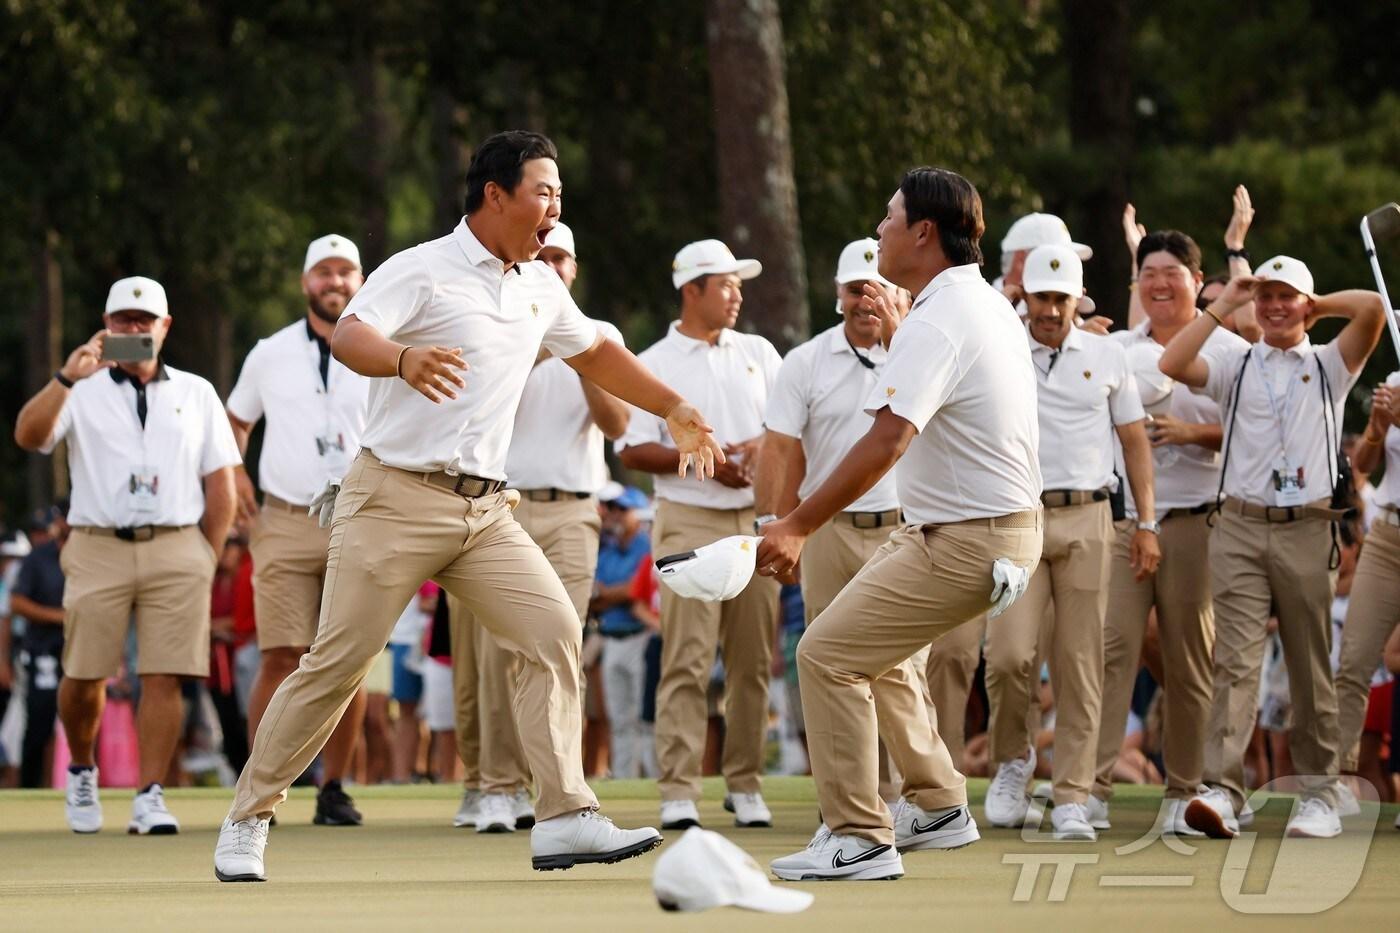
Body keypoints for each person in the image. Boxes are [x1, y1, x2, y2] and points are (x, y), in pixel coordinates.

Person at [215, 130, 723, 881]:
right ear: (496, 195)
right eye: (544, 191)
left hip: (485, 512)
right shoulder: (422, 268)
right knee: (337, 665)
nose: (555, 207)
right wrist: (402, 358)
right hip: (392, 498)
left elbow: (595, 352)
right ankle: (248, 816)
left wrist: (674, 402)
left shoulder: (541, 284)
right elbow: (353, 332)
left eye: (558, 194)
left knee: (552, 631)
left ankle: (563, 816)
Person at [758, 167, 1043, 881]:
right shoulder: (964, 305)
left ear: (922, 232)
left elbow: (888, 442)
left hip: (970, 536)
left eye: (888, 217)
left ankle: (858, 836)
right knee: (868, 652)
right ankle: (940, 802)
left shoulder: (941, 317)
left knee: (826, 654)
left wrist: (794, 524)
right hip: (977, 530)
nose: (878, 229)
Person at [1160, 255, 1386, 838]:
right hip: (1237, 522)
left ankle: (1320, 790)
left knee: (1310, 661)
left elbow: (1372, 308)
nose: (1276, 306)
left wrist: (1318, 303)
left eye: (1287, 297)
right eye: (1267, 296)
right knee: (1234, 660)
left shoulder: (1330, 363)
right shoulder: (1237, 360)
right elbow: (1173, 361)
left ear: (1306, 305)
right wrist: (1226, 303)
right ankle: (1223, 789)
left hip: (1307, 524)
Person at [14, 275, 240, 834]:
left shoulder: (196, 391)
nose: (132, 329)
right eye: (122, 320)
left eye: (144, 321)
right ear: (106, 324)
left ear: (165, 327)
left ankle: (150, 793)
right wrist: (68, 374)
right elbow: (29, 436)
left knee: (165, 675)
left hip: (177, 542)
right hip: (97, 544)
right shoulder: (80, 387)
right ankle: (83, 769)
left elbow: (221, 484)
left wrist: (205, 556)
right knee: (85, 673)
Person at [448, 220, 629, 834]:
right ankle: (496, 785)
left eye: (563, 259)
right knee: (502, 651)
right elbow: (478, 404)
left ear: (574, 270)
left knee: (560, 643)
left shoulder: (599, 336)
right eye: (543, 255)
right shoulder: (497, 326)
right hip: (505, 504)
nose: (552, 266)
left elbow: (617, 424)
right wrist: (534, 345)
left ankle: (553, 786)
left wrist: (578, 355)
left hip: (576, 508)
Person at [979, 244, 1158, 841]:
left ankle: (1074, 794)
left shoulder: (1107, 354)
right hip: (1016, 518)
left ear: (1076, 301)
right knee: (1008, 656)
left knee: (1082, 662)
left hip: (1088, 517)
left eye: (1060, 299)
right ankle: (1011, 763)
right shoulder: (1001, 349)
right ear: (1023, 298)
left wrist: (1147, 521)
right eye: (1039, 298)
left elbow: (1133, 441)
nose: (1050, 310)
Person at [618, 237, 782, 831]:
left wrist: (759, 450)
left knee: (751, 661)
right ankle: (679, 789)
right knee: (686, 658)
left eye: (739, 284)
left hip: (752, 519)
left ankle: (744, 784)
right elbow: (633, 449)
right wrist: (702, 457)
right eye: (726, 284)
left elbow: (787, 430)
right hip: (687, 515)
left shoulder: (761, 352)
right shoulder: (654, 361)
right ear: (692, 290)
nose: (737, 295)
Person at [1093, 230, 1247, 835]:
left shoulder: (1233, 350)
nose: (1159, 283)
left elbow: (1253, 434)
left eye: (1172, 273)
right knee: (1112, 653)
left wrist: (1190, 433)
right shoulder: (1117, 349)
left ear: (1194, 279)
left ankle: (1185, 792)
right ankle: (1091, 788)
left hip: (1199, 522)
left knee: (1189, 663)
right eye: (1147, 272)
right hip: (1126, 520)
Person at [754, 237, 919, 790]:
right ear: (838, 296)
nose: (866, 301)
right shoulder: (804, 362)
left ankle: (904, 794)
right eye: (855, 290)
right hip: (827, 532)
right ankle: (846, 797)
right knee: (826, 661)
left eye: (878, 290)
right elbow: (778, 449)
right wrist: (773, 527)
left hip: (902, 528)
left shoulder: (919, 351)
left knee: (901, 667)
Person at [226, 233, 371, 827]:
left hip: (362, 513)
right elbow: (235, 421)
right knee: (279, 654)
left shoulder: (382, 342)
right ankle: (262, 784)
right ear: (305, 282)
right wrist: (235, 476)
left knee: (349, 658)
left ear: (360, 281)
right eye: (323, 272)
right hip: (285, 517)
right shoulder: (270, 351)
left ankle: (333, 786)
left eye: (346, 272)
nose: (334, 282)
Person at [1335, 374, 1400, 790]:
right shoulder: (1396, 381)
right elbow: (1361, 465)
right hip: (1389, 534)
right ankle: (1333, 787)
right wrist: (1377, 428)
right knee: (1353, 661)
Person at [592, 486, 655, 778]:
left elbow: (634, 591)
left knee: (644, 716)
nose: (616, 514)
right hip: (611, 637)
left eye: (623, 509)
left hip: (640, 636)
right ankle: (624, 779)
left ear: (637, 514)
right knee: (618, 718)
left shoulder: (646, 546)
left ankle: (650, 778)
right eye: (613, 508)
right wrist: (616, 594)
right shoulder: (608, 548)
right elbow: (595, 595)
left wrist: (612, 593)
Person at [8, 504, 69, 787]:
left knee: (83, 723)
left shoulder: (96, 556)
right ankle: (30, 787)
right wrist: (59, 617)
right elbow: (16, 603)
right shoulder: (37, 559)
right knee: (39, 721)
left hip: (80, 652)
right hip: (43, 650)